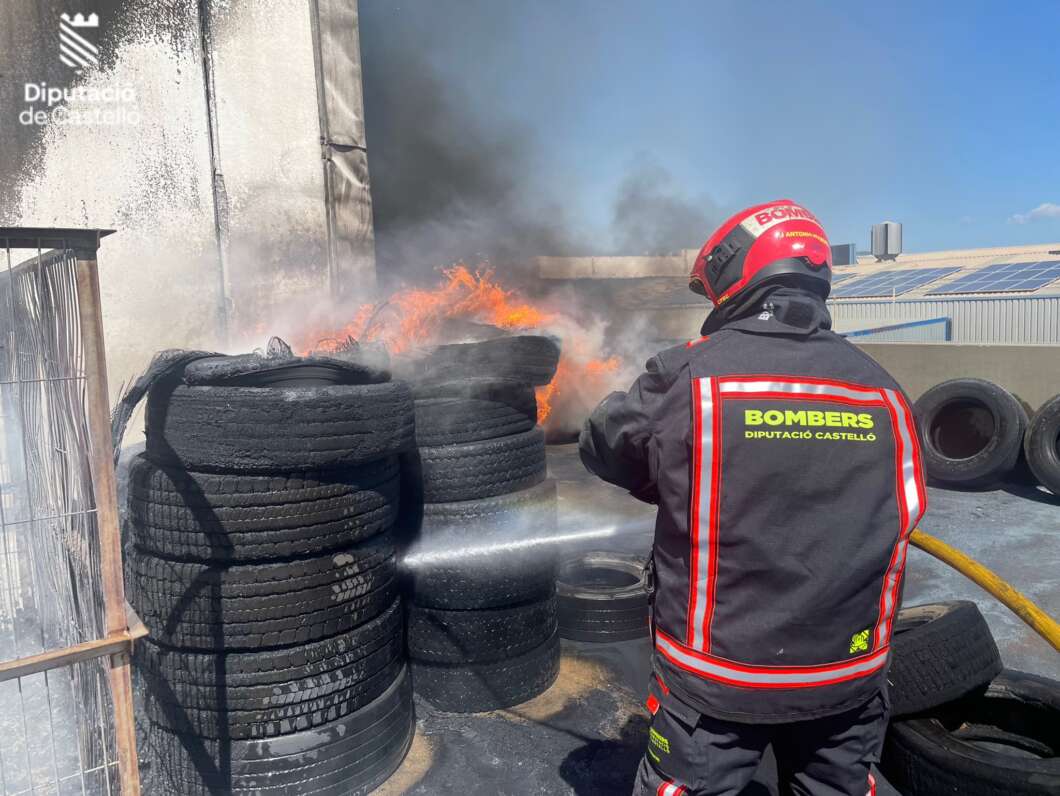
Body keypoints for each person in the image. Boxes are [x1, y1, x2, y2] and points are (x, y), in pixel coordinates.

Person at [579, 200, 927, 796]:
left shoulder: (690, 377)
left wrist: (670, 479)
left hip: (717, 682)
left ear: (736, 273)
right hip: (848, 675)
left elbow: (602, 444)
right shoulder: (886, 391)